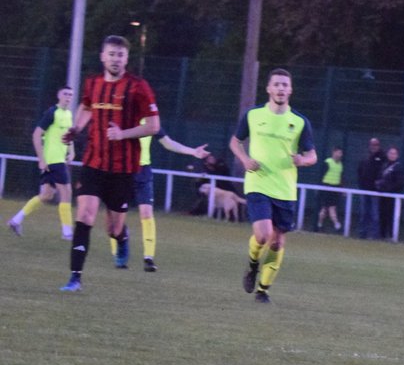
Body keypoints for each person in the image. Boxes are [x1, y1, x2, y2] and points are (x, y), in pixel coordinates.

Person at [59, 36, 162, 292]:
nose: (116, 59)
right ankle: (75, 277)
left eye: (120, 55)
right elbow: (86, 106)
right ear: (102, 57)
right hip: (94, 163)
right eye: (111, 54)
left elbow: (154, 125)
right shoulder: (93, 83)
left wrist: (123, 134)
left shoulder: (138, 87)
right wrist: (76, 128)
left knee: (113, 228)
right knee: (84, 216)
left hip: (123, 169)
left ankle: (122, 237)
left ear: (126, 59)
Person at [230, 68, 318, 304]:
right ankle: (252, 264)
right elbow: (235, 142)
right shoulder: (253, 115)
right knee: (263, 235)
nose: (280, 88)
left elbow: (312, 155)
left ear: (290, 90)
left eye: (284, 85)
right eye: (276, 84)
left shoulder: (299, 122)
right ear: (268, 88)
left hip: (285, 189)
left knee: (278, 241)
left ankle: (263, 289)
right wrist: (245, 160)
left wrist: (303, 160)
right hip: (258, 183)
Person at [116, 120, 210, 271]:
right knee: (117, 216)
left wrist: (193, 151)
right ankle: (120, 252)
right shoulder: (124, 113)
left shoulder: (150, 121)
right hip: (122, 171)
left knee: (146, 214)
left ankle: (148, 258)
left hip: (143, 172)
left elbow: (168, 143)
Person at [8, 87, 76, 240]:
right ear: (59, 95)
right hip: (54, 160)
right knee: (66, 193)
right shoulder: (52, 113)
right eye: (65, 94)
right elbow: (36, 135)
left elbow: (68, 135)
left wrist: (71, 151)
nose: (68, 97)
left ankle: (16, 220)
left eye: (71, 95)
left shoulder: (69, 114)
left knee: (46, 195)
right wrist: (41, 159)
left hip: (57, 160)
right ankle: (67, 233)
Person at [356, 138, 386, 239]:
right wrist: (361, 184)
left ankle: (374, 236)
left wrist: (378, 186)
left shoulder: (382, 158)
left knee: (375, 214)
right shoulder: (365, 157)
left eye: (376, 145)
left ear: (379, 146)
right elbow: (360, 171)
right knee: (364, 213)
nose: (374, 147)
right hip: (365, 189)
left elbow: (382, 173)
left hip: (375, 192)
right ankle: (362, 234)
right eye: (372, 145)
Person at [375, 146, 404, 239]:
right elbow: (379, 178)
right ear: (387, 154)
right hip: (383, 196)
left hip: (392, 198)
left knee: (391, 217)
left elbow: (400, 183)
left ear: (397, 155)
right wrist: (379, 186)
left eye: (394, 153)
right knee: (382, 216)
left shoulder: (398, 167)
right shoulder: (384, 166)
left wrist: (389, 189)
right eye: (390, 153)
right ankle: (381, 236)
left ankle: (392, 237)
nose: (392, 155)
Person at [315, 147, 344, 232]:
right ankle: (335, 224)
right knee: (328, 208)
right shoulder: (327, 162)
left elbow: (340, 177)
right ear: (334, 152)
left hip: (335, 188)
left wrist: (341, 188)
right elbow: (321, 175)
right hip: (326, 187)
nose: (340, 155)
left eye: (341, 153)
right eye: (338, 152)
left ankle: (321, 224)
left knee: (329, 208)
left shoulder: (340, 164)